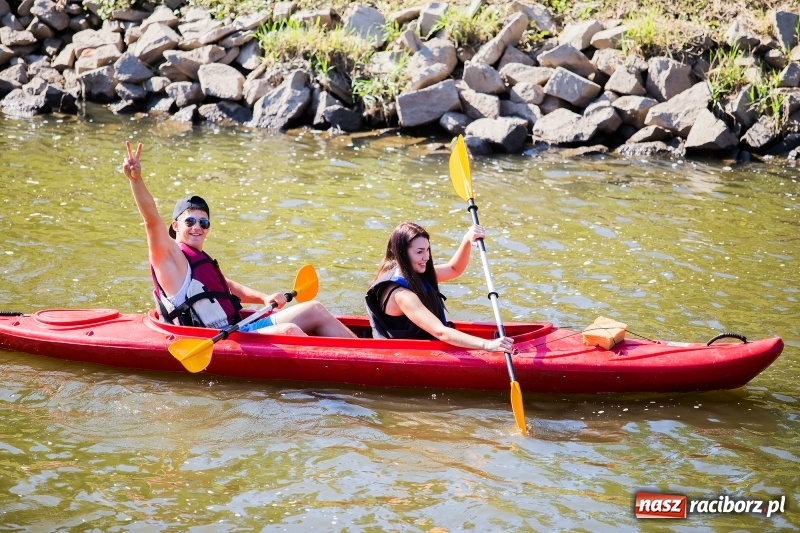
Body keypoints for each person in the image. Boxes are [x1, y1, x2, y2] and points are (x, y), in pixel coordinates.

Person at [122, 140, 356, 338]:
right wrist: (136, 180)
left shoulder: (200, 261)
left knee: (314, 308)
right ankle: (332, 385)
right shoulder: (168, 257)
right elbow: (151, 220)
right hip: (219, 339)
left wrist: (263, 297)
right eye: (190, 221)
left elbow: (227, 286)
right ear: (175, 225)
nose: (197, 227)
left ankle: (366, 353)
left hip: (240, 329)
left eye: (203, 223)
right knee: (289, 330)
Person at [366, 221, 514, 352]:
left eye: (427, 249)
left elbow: (454, 269)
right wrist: (488, 345)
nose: (426, 257)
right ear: (402, 254)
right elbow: (441, 332)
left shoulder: (414, 274)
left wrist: (467, 239)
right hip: (406, 353)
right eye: (419, 252)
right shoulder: (402, 295)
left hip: (428, 341)